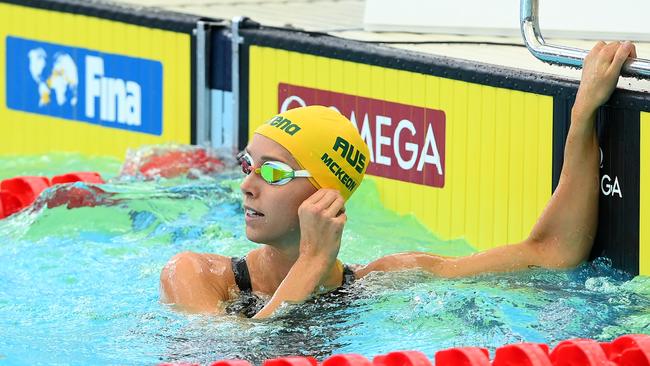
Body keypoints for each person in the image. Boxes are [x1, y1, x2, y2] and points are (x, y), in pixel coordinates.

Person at [160, 41, 637, 319]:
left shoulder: (383, 279)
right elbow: (232, 355)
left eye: (274, 172)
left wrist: (581, 117)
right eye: (248, 165)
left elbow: (552, 252)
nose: (247, 185)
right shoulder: (198, 277)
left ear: (326, 194)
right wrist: (310, 261)